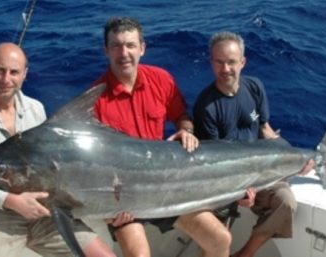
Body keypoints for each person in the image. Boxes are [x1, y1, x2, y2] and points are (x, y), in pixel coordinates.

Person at [0, 42, 116, 257]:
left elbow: (54, 170)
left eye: (14, 72)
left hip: (44, 212)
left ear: (25, 74)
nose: (6, 79)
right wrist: (10, 201)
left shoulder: (36, 109)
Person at [92, 17, 231, 257]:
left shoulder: (161, 79)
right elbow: (93, 166)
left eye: (130, 45)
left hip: (167, 188)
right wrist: (107, 210)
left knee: (220, 239)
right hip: (125, 199)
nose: (124, 53)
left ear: (142, 48)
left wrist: (186, 131)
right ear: (106, 50)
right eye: (116, 45)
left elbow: (182, 116)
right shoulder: (95, 100)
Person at [193, 31, 314, 257]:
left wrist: (299, 158)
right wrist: (238, 193)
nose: (225, 68)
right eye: (219, 62)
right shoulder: (206, 106)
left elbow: (266, 131)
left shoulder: (255, 87)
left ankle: (245, 254)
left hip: (260, 172)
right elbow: (213, 162)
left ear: (242, 62)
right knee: (216, 240)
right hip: (223, 181)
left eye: (231, 62)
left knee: (285, 202)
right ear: (211, 63)